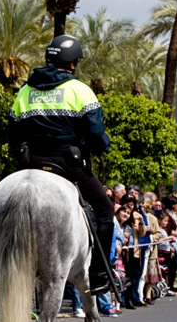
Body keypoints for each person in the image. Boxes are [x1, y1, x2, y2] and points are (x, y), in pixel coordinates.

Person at [8, 34, 114, 299]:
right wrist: (103, 145)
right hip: (69, 163)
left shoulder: (25, 90)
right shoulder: (79, 90)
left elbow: (11, 132)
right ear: (73, 63)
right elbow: (95, 130)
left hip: (31, 162)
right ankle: (101, 274)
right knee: (104, 211)